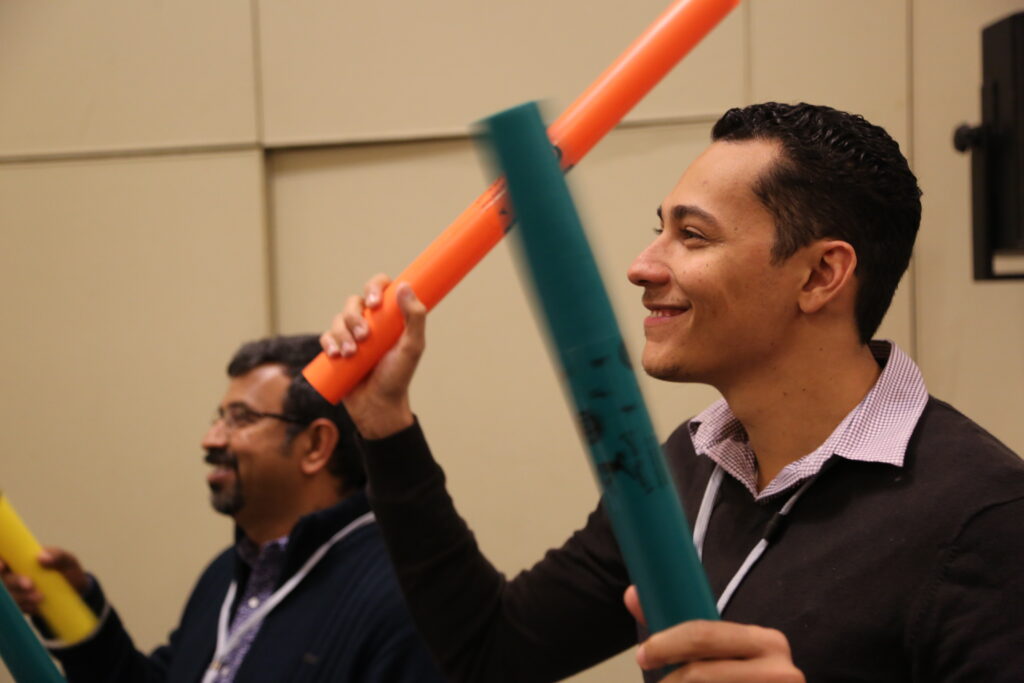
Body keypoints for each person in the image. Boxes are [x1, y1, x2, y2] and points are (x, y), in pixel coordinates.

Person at [321, 103, 1024, 682]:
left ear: (820, 276)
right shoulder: (687, 466)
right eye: (657, 229)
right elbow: (493, 652)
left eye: (692, 235)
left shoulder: (983, 515)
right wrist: (385, 423)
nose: (642, 265)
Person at [0, 335, 444, 683]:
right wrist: (75, 604)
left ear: (315, 446)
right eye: (219, 417)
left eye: (241, 419)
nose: (211, 439)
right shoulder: (226, 575)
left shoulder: (402, 593)